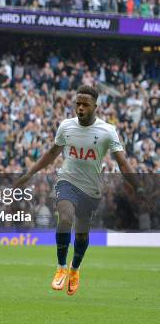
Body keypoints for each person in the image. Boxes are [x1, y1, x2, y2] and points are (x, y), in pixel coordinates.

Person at [15, 85, 147, 296]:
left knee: (82, 234)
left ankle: (75, 269)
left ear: (95, 105)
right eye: (78, 103)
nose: (80, 108)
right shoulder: (66, 126)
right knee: (65, 219)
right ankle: (60, 267)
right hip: (67, 180)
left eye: (85, 104)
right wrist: (29, 173)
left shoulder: (107, 131)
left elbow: (122, 162)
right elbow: (51, 153)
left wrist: (139, 187)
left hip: (91, 188)